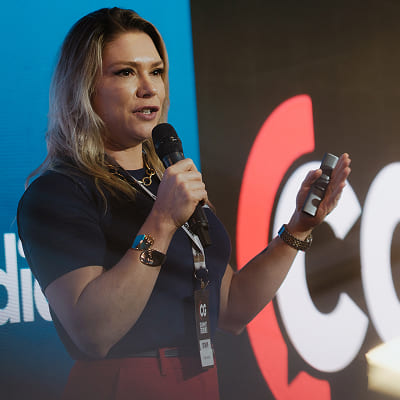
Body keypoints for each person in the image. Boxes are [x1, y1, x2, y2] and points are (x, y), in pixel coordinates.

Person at [17, 7, 351, 400]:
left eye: (156, 71)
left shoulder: (167, 181)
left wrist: (298, 228)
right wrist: (161, 222)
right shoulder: (59, 192)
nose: (149, 88)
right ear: (84, 88)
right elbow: (94, 333)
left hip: (199, 381)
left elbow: (232, 307)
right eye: (125, 72)